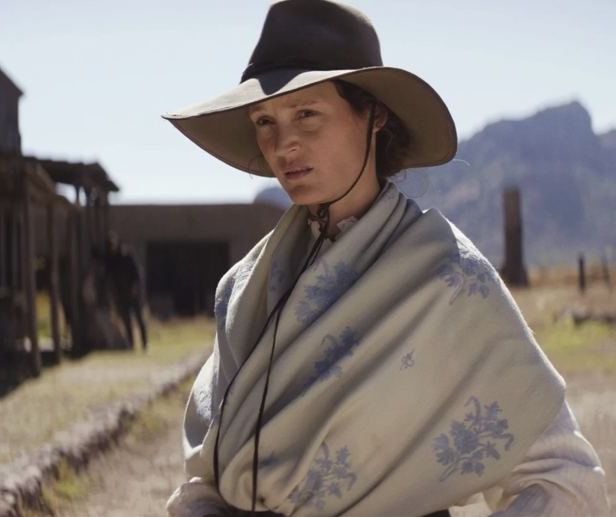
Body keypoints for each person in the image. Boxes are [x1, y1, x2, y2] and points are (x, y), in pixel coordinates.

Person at [161, 1, 609, 516]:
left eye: (306, 113)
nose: (282, 144)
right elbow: (204, 482)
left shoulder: (448, 280)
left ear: (373, 114)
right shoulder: (243, 288)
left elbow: (565, 480)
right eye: (264, 120)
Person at [104, 231, 148, 351]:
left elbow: (137, 273)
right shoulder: (111, 260)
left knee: (139, 318)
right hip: (121, 295)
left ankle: (145, 344)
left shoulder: (127, 256)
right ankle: (131, 345)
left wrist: (135, 287)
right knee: (126, 320)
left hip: (133, 292)